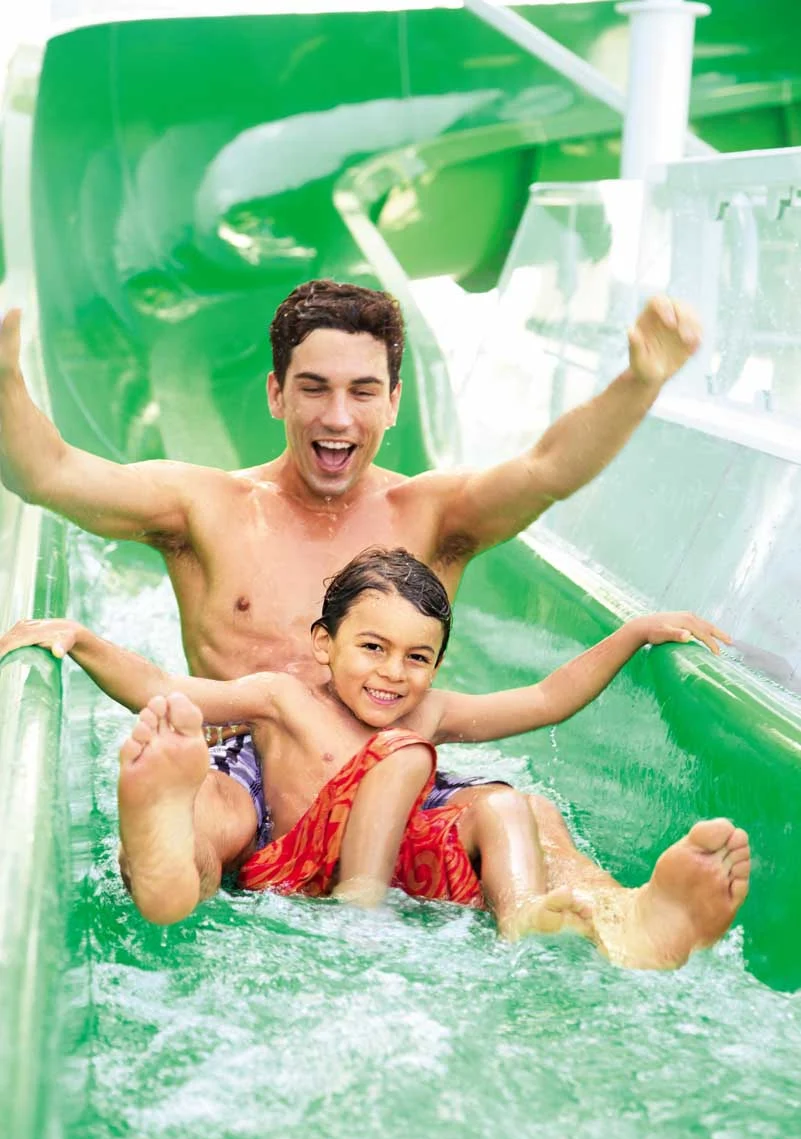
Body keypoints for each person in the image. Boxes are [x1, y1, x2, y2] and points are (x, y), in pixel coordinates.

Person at [0, 280, 703, 853]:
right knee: (203, 819)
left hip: (384, 781)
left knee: (532, 824)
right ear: (277, 394)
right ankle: (164, 844)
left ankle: (617, 920)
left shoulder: (434, 515)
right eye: (314, 388)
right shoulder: (202, 508)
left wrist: (639, 381)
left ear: (393, 402)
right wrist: (3, 377)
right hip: (245, 784)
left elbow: (547, 469)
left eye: (363, 391)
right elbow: (48, 473)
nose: (338, 416)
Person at [0, 548, 750, 968]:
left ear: (438, 663)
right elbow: (165, 686)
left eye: (418, 657)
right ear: (324, 645)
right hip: (295, 866)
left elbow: (547, 698)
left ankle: (602, 918)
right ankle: (167, 850)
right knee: (227, 805)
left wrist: (630, 635)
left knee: (514, 807)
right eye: (373, 647)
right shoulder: (284, 698)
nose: (394, 673)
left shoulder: (432, 711)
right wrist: (84, 642)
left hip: (400, 872)